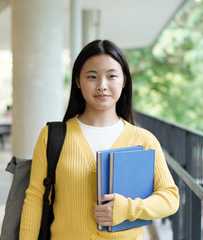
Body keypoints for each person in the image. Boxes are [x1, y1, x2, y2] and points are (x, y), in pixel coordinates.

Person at [19, 40, 179, 239]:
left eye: (111, 76)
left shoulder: (143, 140)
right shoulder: (52, 136)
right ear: (78, 81)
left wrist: (128, 208)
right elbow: (35, 200)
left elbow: (170, 198)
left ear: (124, 81)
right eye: (92, 77)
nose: (102, 86)